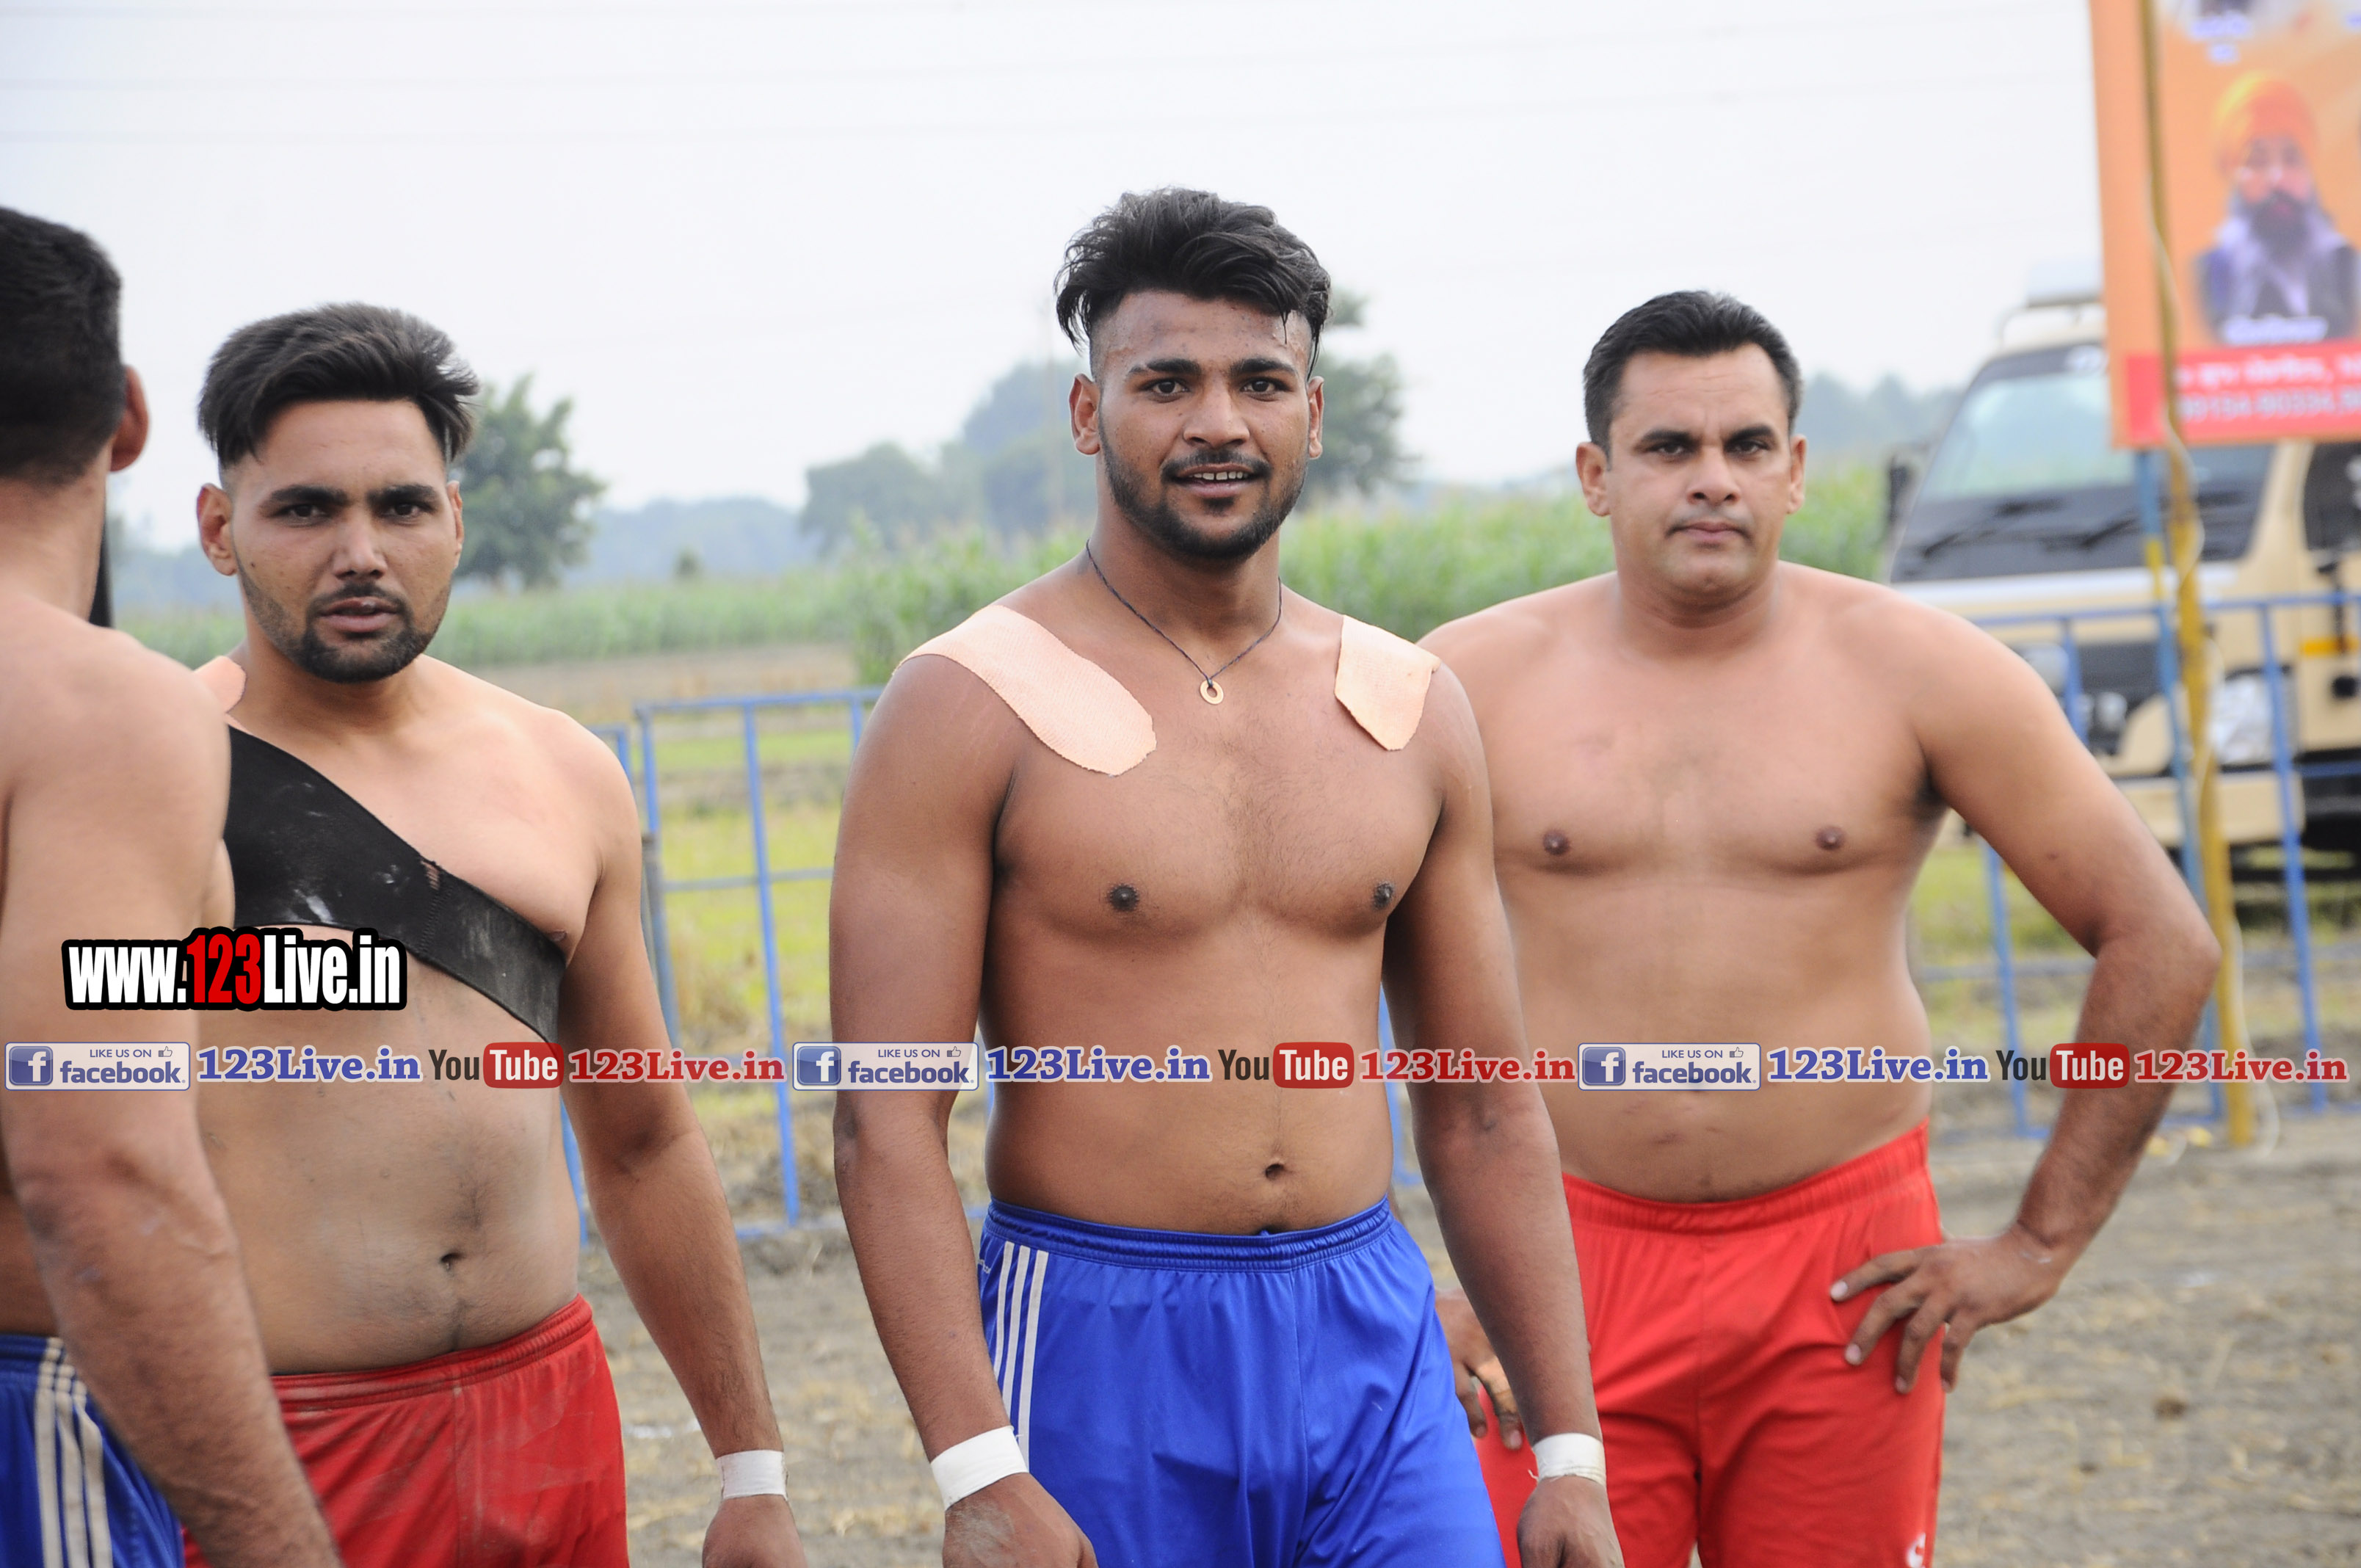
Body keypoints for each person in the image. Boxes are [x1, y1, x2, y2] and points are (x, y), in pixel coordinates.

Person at [831, 187, 1620, 1568]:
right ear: (1090, 415)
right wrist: (976, 1469)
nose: (1218, 422)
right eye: (1166, 383)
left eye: (1259, 381)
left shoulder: (1408, 704)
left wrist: (1569, 1453)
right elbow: (886, 1122)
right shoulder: (968, 700)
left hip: (1367, 1329)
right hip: (1101, 1339)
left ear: (1313, 411)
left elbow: (1485, 1104)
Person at [1424, 290, 2222, 1568]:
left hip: (1844, 1270)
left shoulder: (1925, 670)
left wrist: (2037, 1244)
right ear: (1595, 474)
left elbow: (2160, 938)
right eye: (1669, 447)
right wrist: (1414, 1276)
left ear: (1795, 471)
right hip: (1556, 1254)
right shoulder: (1466, 682)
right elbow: (1304, 956)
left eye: (1747, 445)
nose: (1713, 478)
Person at [181, 303, 805, 1568]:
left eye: (402, 507)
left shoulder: (563, 773)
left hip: (551, 1421)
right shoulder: (149, 781)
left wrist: (751, 1473)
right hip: (283, 1450)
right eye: (306, 509)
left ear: (456, 521)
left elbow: (643, 1136)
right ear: (218, 528)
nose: (362, 551)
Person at [0, 207, 341, 1568]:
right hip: (33, 1410)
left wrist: (322, 965)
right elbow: (97, 1158)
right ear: (132, 421)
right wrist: (273, 1541)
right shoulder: (99, 709)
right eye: (305, 506)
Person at [2196, 71, 2359, 346]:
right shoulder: (2209, 273)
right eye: (2257, 162)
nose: (2277, 178)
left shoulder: (2347, 266)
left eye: (2292, 159)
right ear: (2233, 175)